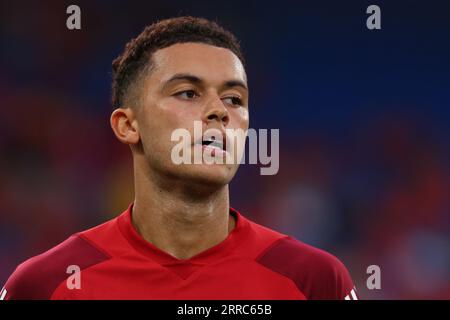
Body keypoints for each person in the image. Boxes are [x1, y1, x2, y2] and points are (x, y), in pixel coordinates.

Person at [1, 16, 357, 300]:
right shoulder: (46, 284)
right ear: (127, 125)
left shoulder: (314, 280)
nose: (219, 111)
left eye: (234, 99)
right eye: (188, 93)